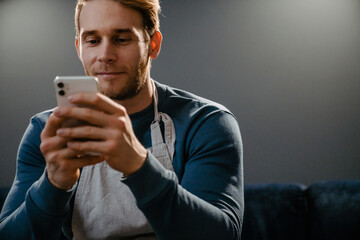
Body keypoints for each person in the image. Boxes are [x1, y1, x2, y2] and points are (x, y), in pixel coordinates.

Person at [0, 0, 244, 239]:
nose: (105, 55)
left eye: (122, 39)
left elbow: (221, 234)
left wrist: (138, 165)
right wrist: (53, 184)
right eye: (93, 41)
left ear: (153, 45)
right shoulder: (47, 132)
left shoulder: (205, 123)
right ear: (79, 48)